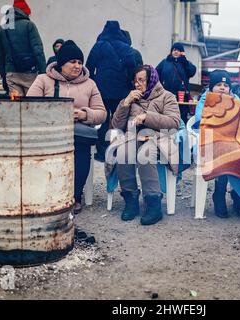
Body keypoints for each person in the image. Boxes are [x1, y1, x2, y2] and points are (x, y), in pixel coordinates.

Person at [27, 40, 107, 214]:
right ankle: (46, 194)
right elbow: (29, 107)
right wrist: (57, 114)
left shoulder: (89, 84)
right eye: (72, 61)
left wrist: (85, 115)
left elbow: (102, 113)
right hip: (48, 132)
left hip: (76, 133)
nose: (77, 66)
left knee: (81, 151)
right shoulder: (43, 80)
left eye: (80, 62)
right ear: (61, 63)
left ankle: (75, 196)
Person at [107, 65, 181, 225]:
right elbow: (117, 125)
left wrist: (147, 117)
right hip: (132, 136)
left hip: (158, 137)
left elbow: (174, 122)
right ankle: (131, 200)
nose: (137, 84)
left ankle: (153, 203)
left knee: (145, 155)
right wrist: (125, 103)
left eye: (141, 80)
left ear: (152, 80)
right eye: (135, 81)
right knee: (123, 153)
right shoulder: (131, 99)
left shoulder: (167, 97)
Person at [193, 70, 240, 217]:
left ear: (230, 88)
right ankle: (219, 193)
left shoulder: (236, 101)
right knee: (225, 152)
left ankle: (239, 193)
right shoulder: (205, 100)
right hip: (213, 139)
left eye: (225, 85)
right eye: (218, 85)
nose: (222, 88)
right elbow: (200, 122)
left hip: (236, 138)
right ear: (211, 87)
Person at [86, 21, 136, 161]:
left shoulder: (99, 45)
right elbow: (132, 67)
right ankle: (118, 151)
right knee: (119, 120)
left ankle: (102, 153)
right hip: (121, 91)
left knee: (103, 119)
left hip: (102, 90)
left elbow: (89, 66)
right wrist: (128, 84)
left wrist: (95, 82)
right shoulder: (125, 47)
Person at [0, 0, 47, 96]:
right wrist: (43, 72)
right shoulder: (29, 25)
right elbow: (38, 51)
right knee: (32, 105)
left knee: (16, 106)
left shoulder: (1, 29)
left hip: (11, 73)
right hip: (29, 73)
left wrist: (3, 74)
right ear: (25, 12)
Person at [156, 42, 196, 124]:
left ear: (182, 52)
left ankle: (180, 135)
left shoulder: (185, 63)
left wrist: (184, 60)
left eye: (178, 50)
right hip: (166, 96)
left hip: (182, 98)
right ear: (171, 51)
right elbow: (155, 74)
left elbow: (192, 72)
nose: (176, 52)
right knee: (165, 117)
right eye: (174, 50)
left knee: (181, 118)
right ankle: (166, 135)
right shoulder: (165, 62)